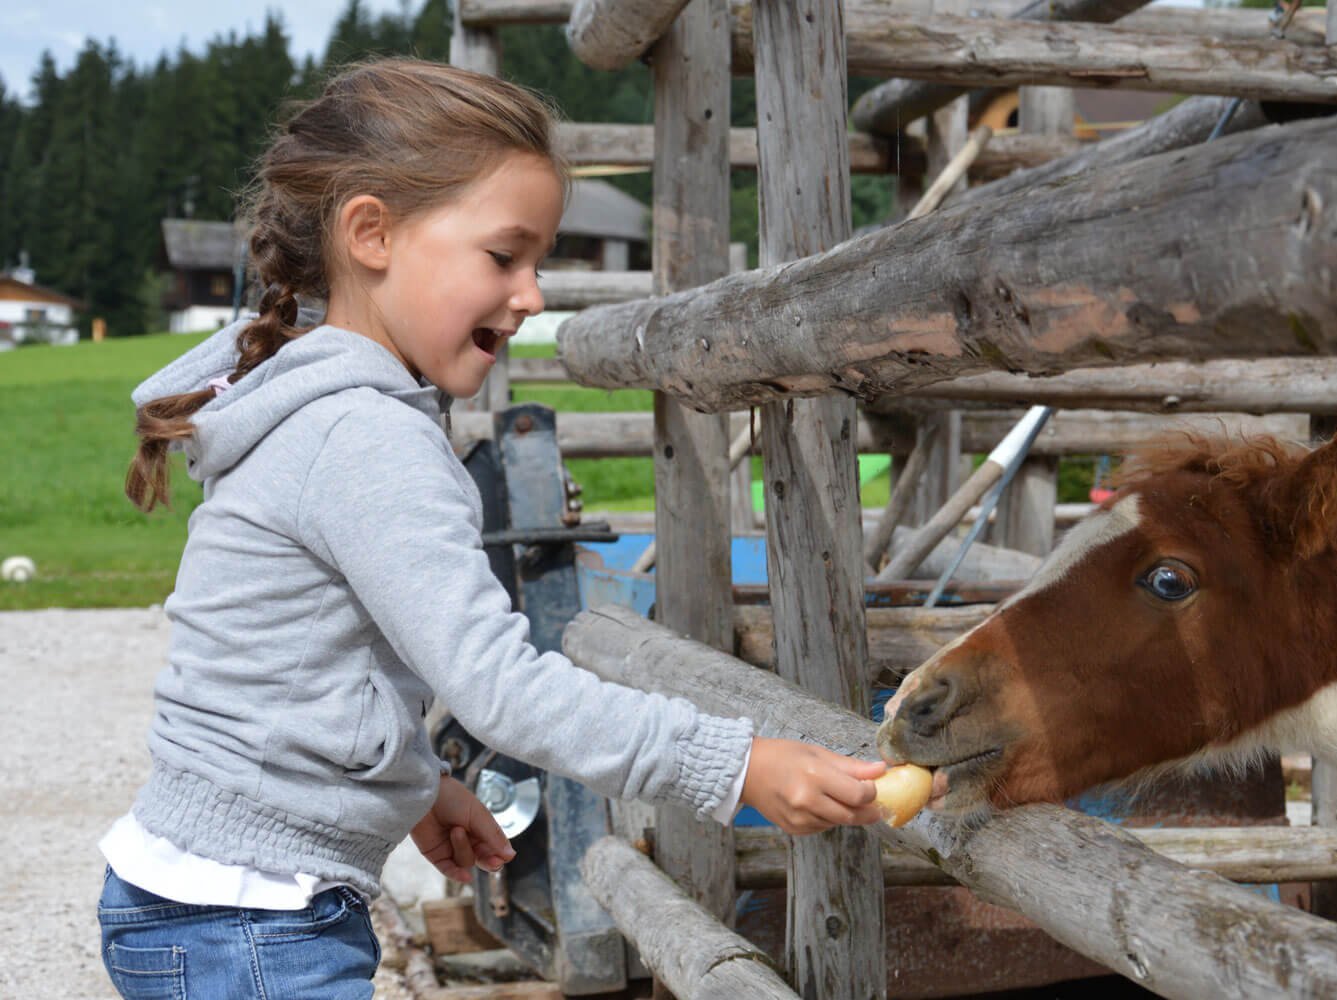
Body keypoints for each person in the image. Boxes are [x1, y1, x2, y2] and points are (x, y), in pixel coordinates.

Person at [97, 58, 884, 1000]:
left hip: (200, 898)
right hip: (253, 924)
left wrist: (418, 785)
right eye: (504, 256)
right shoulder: (366, 434)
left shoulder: (319, 411)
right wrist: (737, 764)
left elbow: (293, 668)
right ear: (371, 232)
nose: (534, 295)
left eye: (540, 261)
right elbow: (503, 688)